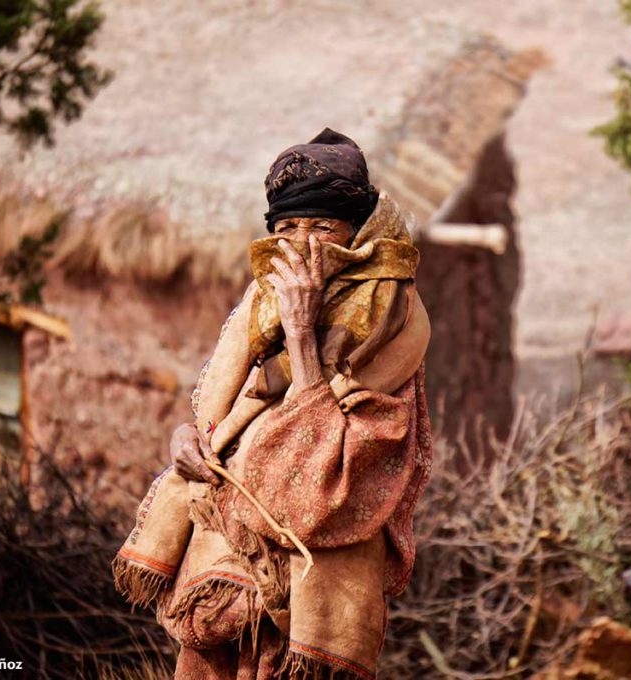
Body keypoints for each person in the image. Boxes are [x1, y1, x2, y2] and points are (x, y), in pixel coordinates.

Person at [113, 128, 432, 679]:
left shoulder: (390, 322)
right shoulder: (264, 302)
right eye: (287, 228)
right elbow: (218, 414)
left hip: (307, 601)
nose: (303, 245)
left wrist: (303, 334)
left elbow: (324, 477)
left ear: (358, 233)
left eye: (322, 226)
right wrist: (190, 440)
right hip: (225, 579)